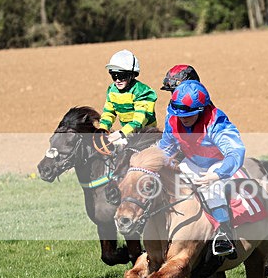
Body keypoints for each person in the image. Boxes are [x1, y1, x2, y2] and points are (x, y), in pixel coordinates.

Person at [158, 80, 246, 256]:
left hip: (218, 163)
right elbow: (165, 149)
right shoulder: (172, 120)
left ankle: (225, 235)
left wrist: (217, 174)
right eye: (180, 115)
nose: (184, 119)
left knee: (211, 186)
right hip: (191, 162)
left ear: (202, 109)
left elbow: (236, 151)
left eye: (189, 114)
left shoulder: (216, 122)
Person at [100, 49, 158, 148]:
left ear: (132, 75)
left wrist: (121, 133)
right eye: (114, 76)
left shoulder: (142, 91)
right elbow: (108, 114)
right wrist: (102, 130)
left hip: (146, 136)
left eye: (122, 76)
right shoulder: (112, 90)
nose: (117, 80)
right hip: (128, 134)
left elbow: (139, 121)